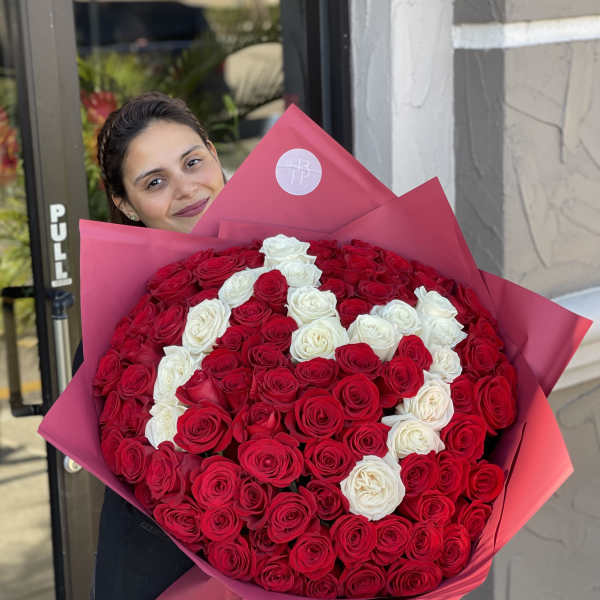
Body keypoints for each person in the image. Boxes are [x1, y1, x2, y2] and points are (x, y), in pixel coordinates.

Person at [84, 91, 226, 599]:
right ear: (125, 203)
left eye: (192, 162)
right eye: (155, 182)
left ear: (214, 154)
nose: (186, 188)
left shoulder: (303, 257)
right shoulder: (116, 333)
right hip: (171, 574)